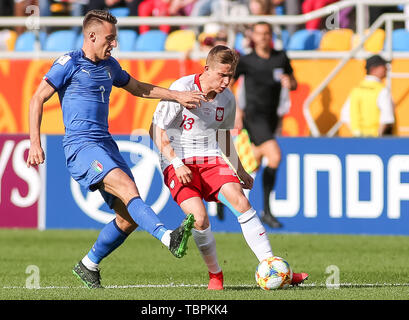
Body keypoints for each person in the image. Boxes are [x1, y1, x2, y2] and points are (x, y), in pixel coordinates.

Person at [26, 9, 205, 289]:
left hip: (105, 144)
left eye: (116, 38)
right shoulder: (69, 63)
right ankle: (168, 237)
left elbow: (137, 88)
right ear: (92, 36)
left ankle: (88, 264)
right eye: (110, 38)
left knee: (127, 218)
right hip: (81, 146)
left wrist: (177, 95)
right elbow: (37, 99)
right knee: (127, 188)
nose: (114, 44)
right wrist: (34, 143)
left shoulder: (110, 66)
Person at [150, 45, 308, 290]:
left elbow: (223, 136)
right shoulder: (181, 89)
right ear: (206, 70)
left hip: (211, 158)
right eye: (221, 75)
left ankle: (274, 267)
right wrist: (176, 162)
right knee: (199, 219)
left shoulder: (227, 98)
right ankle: (216, 274)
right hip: (178, 160)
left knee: (242, 202)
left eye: (230, 75)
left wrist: (241, 170)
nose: (226, 81)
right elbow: (156, 131)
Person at [232, 22, 297, 229]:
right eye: (258, 33)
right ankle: (267, 211)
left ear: (270, 36)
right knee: (275, 156)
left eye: (265, 33)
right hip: (253, 115)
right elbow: (229, 83)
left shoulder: (280, 57)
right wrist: (236, 111)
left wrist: (290, 82)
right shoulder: (247, 60)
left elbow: (294, 81)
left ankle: (227, 195)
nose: (262, 37)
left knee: (255, 160)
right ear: (253, 37)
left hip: (271, 118)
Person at [340, 55, 394, 137]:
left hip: (358, 139)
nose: (387, 69)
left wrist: (357, 133)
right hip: (377, 139)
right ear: (373, 69)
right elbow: (387, 117)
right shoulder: (382, 90)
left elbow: (345, 115)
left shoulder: (356, 90)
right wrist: (378, 136)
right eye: (383, 66)